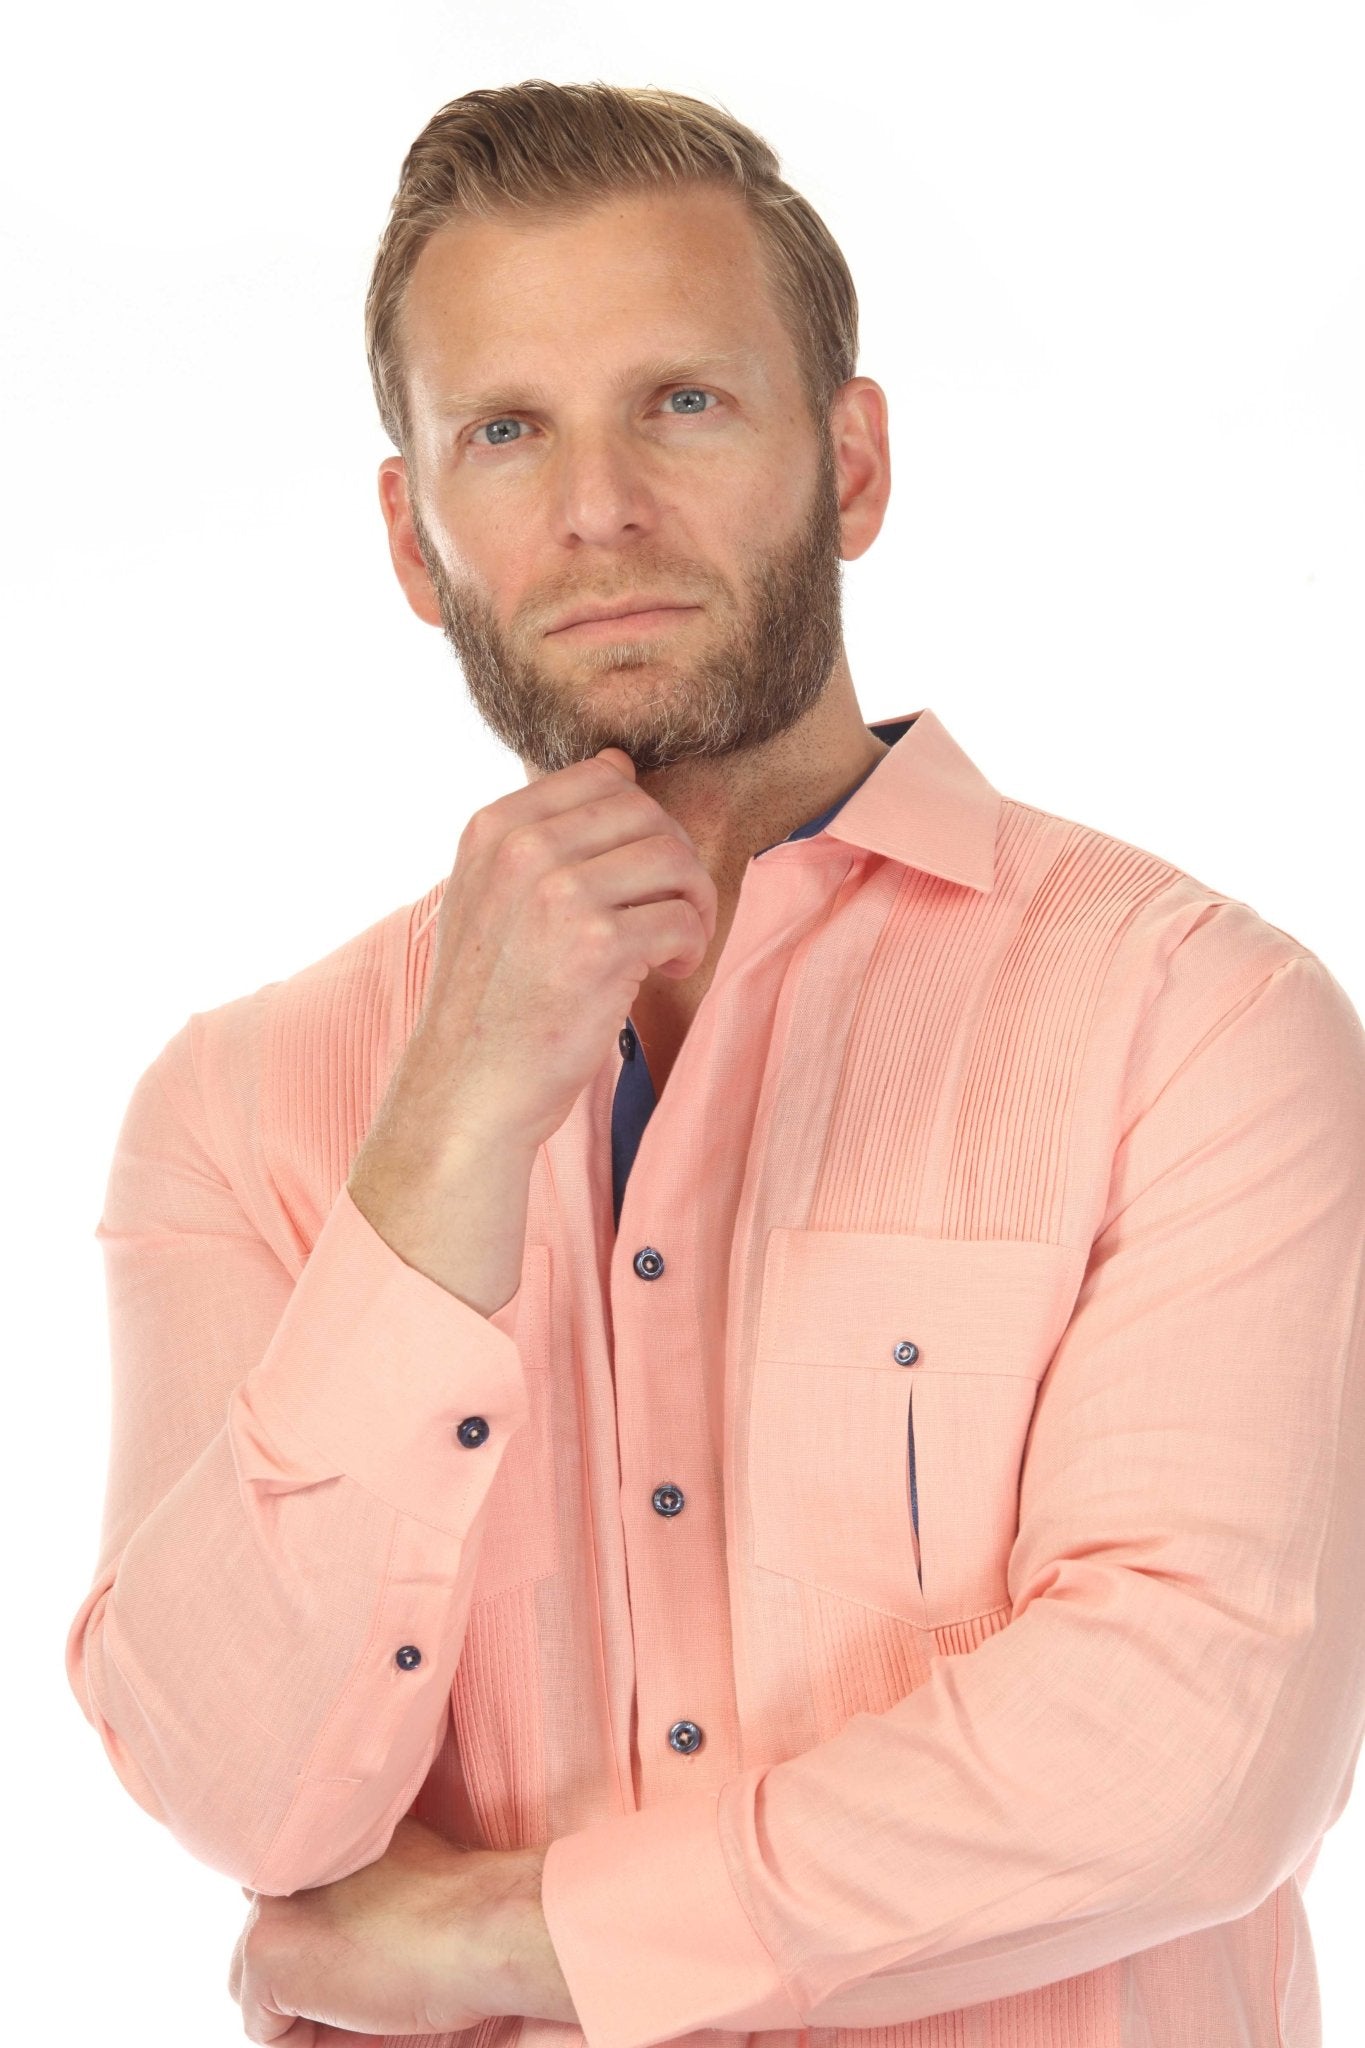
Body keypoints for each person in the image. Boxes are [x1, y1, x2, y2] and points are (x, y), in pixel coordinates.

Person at [67, 79, 1365, 2048]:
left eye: (681, 401)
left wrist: (523, 1944)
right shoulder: (238, 1109)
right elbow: (233, 1780)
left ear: (848, 461)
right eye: (506, 430)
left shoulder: (1191, 1021)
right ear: (416, 536)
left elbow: (1191, 1745)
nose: (597, 509)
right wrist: (443, 1136)